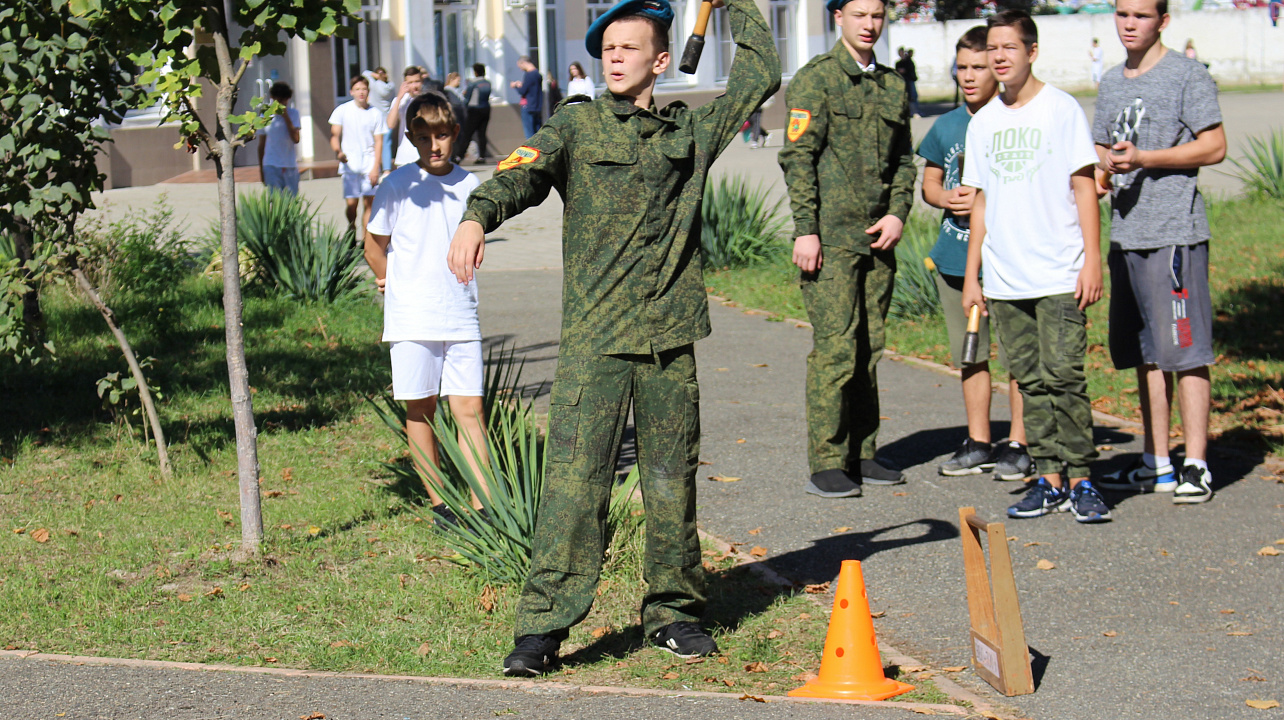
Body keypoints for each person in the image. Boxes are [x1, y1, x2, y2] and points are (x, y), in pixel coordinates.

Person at [447, 0, 779, 676]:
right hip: (596, 340)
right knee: (574, 485)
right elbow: (522, 172)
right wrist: (478, 216)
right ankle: (542, 629)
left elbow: (761, 70)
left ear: (662, 60)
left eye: (630, 48)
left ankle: (673, 612)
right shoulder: (578, 122)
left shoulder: (693, 129)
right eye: (608, 49)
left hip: (668, 338)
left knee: (669, 481)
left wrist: (735, 5)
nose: (615, 58)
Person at [960, 10, 1109, 523]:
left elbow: (1084, 185)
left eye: (1009, 48)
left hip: (1059, 272)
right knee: (1028, 379)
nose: (999, 58)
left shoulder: (1061, 109)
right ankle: (1048, 478)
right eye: (992, 50)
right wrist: (973, 275)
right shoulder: (983, 122)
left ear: (1031, 51)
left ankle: (1084, 479)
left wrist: (1093, 259)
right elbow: (979, 202)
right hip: (1005, 277)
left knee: (1065, 376)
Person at [778, 0, 916, 499]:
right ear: (839, 17)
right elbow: (798, 157)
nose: (869, 24)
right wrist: (805, 230)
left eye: (877, 15)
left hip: (877, 240)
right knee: (837, 349)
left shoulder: (893, 84)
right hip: (830, 240)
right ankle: (828, 459)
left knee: (869, 348)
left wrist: (899, 212)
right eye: (859, 14)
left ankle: (863, 451)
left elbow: (904, 160)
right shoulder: (817, 80)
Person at [1094, 0, 1226, 504]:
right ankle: (1157, 462)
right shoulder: (1110, 81)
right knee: (1145, 355)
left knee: (1186, 353)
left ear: (1163, 21)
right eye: (1123, 14)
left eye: (1141, 15)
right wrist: (1104, 175)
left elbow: (1213, 146)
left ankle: (1195, 464)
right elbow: (1104, 152)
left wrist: (1146, 157)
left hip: (1174, 233)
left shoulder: (1186, 75)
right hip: (1126, 233)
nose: (1130, 24)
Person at [365, 92, 492, 520]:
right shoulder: (397, 185)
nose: (433, 145)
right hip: (413, 316)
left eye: (441, 135)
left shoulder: (470, 186)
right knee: (421, 406)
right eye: (423, 137)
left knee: (470, 408)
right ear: (410, 138)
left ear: (455, 134)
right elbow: (374, 245)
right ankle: (441, 504)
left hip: (460, 313)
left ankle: (484, 508)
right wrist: (388, 280)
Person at [917, 26, 1032, 481]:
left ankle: (1020, 442)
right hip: (954, 257)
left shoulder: (1012, 118)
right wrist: (945, 198)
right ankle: (979, 440)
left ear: (998, 68)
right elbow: (929, 181)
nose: (968, 76)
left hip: (1006, 258)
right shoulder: (945, 126)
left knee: (1019, 356)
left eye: (978, 67)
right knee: (972, 355)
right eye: (961, 68)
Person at [329, 75, 387, 243]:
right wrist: (338, 152)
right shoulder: (342, 110)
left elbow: (379, 142)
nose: (361, 92)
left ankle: (366, 239)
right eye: (357, 89)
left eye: (364, 89)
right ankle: (351, 226)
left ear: (368, 91)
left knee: (369, 203)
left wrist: (376, 166)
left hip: (369, 163)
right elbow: (334, 135)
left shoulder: (375, 113)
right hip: (350, 164)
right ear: (351, 92)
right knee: (352, 205)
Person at [258, 81, 300, 195]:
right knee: (275, 202)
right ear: (273, 98)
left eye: (285, 100)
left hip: (289, 165)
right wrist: (262, 171)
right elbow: (261, 145)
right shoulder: (265, 116)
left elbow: (296, 139)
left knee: (291, 202)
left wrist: (286, 116)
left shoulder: (294, 114)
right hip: (271, 164)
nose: (282, 103)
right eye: (279, 100)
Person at [388, 66, 427, 170]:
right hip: (405, 157)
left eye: (417, 81)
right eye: (410, 82)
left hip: (425, 156)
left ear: (422, 81)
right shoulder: (400, 101)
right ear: (404, 83)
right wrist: (399, 98)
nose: (414, 86)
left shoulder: (428, 100)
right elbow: (390, 124)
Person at [459, 63, 493, 165]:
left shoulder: (473, 83)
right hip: (486, 108)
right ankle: (482, 156)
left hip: (474, 110)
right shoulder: (487, 83)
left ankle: (459, 156)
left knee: (468, 133)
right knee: (482, 134)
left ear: (475, 72)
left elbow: (467, 97)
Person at [364, 66, 397, 169]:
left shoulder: (374, 85)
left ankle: (375, 166)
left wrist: (375, 75)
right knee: (386, 145)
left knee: (375, 145)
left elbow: (365, 73)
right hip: (388, 118)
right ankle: (387, 168)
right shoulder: (391, 86)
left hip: (376, 119)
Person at [510, 56, 544, 138]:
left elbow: (523, 91)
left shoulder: (529, 75)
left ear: (524, 63)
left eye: (520, 66)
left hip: (528, 106)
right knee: (538, 133)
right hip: (537, 106)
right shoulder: (537, 74)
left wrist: (516, 86)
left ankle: (531, 150)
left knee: (529, 133)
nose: (520, 69)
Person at [443, 72, 470, 163]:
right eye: (457, 80)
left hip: (461, 116)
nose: (458, 83)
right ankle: (454, 155)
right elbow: (456, 103)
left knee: (460, 137)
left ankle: (456, 155)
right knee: (456, 138)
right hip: (456, 116)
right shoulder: (448, 91)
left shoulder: (457, 90)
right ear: (452, 80)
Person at [895, 46, 920, 117]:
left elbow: (911, 69)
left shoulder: (908, 61)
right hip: (902, 81)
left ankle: (915, 112)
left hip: (909, 80)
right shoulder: (898, 63)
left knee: (912, 96)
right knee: (903, 97)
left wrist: (905, 70)